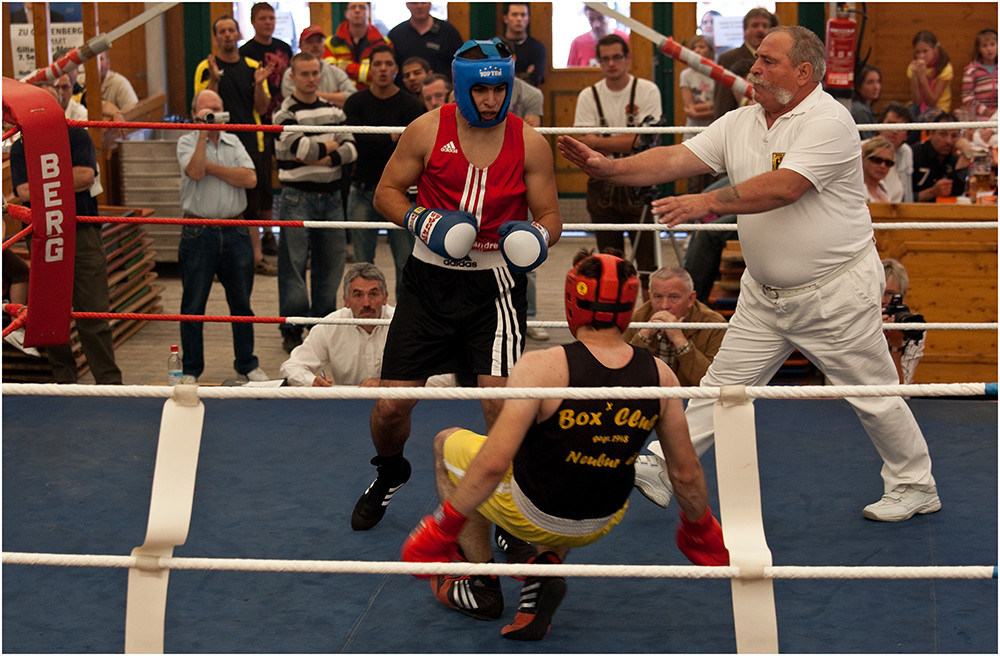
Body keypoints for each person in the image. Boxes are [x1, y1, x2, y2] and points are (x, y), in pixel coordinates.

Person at [558, 25, 941, 523]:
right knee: (723, 385)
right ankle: (659, 463)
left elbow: (785, 187)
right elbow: (676, 156)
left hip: (834, 294)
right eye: (755, 60)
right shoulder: (741, 121)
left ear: (803, 73)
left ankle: (915, 483)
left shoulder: (830, 121)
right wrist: (611, 168)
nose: (753, 68)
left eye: (767, 61)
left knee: (872, 395)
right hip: (765, 294)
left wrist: (705, 202)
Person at [400, 253, 728, 641]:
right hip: (604, 517)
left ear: (572, 299)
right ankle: (545, 569)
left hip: (536, 512)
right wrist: (700, 527)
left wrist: (444, 525)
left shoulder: (542, 367)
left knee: (449, 443)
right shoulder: (661, 375)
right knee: (579, 458)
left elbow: (493, 463)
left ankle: (482, 583)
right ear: (629, 307)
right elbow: (686, 472)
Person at [351, 38, 562, 531]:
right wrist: (422, 221)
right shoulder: (426, 130)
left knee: (499, 402)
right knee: (391, 406)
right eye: (482, 91)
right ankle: (389, 471)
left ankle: (513, 509)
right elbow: (385, 193)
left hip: (495, 288)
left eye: (500, 90)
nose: (492, 101)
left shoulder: (529, 141)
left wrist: (537, 236)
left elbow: (550, 214)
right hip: (428, 284)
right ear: (462, 87)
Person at [10, 83, 122, 384]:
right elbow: (23, 192)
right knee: (50, 312)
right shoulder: (22, 144)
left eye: (52, 97)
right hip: (43, 235)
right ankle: (64, 380)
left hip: (81, 230)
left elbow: (86, 176)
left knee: (94, 311)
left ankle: (109, 382)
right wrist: (62, 176)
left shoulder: (76, 134)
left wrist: (44, 179)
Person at [176, 90, 268, 384]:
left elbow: (250, 179)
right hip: (198, 231)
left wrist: (212, 169)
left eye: (217, 108)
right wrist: (203, 133)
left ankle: (247, 364)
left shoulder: (235, 140)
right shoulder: (185, 141)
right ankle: (190, 370)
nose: (214, 114)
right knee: (193, 304)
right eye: (207, 110)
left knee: (242, 303)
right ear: (195, 114)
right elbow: (194, 170)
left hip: (235, 230)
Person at [273, 52, 357, 354]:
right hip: (297, 196)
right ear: (292, 77)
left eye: (314, 73)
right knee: (293, 265)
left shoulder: (334, 111)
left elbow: (352, 148)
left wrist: (322, 152)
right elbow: (303, 149)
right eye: (304, 74)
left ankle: (322, 326)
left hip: (333, 197)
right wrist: (330, 148)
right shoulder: (283, 114)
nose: (310, 79)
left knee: (331, 265)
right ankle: (293, 327)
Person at [573, 34, 661, 293]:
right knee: (609, 264)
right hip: (602, 185)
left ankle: (650, 326)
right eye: (605, 59)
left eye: (617, 57)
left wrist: (602, 141)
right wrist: (628, 141)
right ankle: (612, 322)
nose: (611, 63)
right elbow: (585, 144)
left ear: (628, 59)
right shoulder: (588, 95)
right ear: (598, 62)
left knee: (648, 265)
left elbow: (645, 141)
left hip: (640, 182)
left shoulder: (647, 90)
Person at [280, 262, 454, 387]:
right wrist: (311, 382)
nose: (366, 303)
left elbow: (445, 376)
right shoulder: (330, 326)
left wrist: (389, 385)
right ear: (346, 300)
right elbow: (291, 367)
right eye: (357, 295)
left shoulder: (409, 323)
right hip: (347, 409)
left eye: (373, 294)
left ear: (385, 297)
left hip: (401, 407)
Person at [194, 15, 277, 277]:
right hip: (217, 142)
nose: (227, 35)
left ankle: (257, 256)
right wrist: (215, 78)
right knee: (222, 200)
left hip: (253, 140)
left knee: (255, 201)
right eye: (222, 31)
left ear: (238, 33)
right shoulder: (205, 67)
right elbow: (202, 105)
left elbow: (262, 108)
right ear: (216, 37)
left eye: (231, 30)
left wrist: (260, 83)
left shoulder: (253, 65)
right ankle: (221, 260)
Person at [344, 45, 424, 297]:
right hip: (362, 189)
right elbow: (359, 146)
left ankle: (405, 320)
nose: (382, 69)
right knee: (361, 264)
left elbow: (411, 151)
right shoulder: (355, 102)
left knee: (406, 262)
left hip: (401, 194)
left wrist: (390, 141)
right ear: (370, 69)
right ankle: (359, 315)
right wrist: (392, 137)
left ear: (395, 69)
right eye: (377, 64)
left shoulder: (410, 105)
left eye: (388, 64)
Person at [622, 266, 726, 387]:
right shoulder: (636, 319)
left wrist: (679, 340)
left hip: (692, 400)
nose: (664, 306)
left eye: (674, 297)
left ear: (691, 299)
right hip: (647, 399)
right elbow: (621, 377)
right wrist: (643, 338)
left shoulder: (714, 325)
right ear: (650, 296)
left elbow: (712, 383)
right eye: (658, 297)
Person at [713, 8, 777, 119]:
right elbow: (722, 102)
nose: (760, 30)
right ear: (744, 30)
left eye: (765, 26)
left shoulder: (777, 59)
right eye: (755, 25)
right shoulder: (728, 58)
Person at [282, 25, 358, 109]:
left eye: (319, 41)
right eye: (309, 42)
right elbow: (296, 102)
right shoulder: (290, 74)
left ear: (324, 45)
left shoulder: (336, 72)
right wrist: (335, 97)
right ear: (300, 46)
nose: (315, 45)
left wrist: (312, 94)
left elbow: (353, 100)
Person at [388, 2, 465, 84]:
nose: (419, 6)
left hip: (441, 92)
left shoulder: (448, 32)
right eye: (414, 3)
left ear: (430, 3)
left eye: (423, 2)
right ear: (407, 4)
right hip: (405, 93)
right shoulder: (396, 34)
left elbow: (461, 64)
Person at [324, 1, 393, 91]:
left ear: (369, 13)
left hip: (374, 97)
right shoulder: (330, 44)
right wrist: (363, 75)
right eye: (353, 7)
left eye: (362, 7)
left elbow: (384, 75)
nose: (357, 10)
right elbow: (330, 75)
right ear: (346, 14)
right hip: (341, 99)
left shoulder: (384, 44)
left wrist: (347, 68)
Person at [680, 34, 717, 194]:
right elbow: (690, 109)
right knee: (693, 181)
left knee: (713, 177)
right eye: (694, 47)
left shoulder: (718, 72)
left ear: (710, 50)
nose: (697, 50)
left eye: (702, 46)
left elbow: (720, 106)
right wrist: (711, 108)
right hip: (693, 132)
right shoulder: (686, 75)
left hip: (714, 130)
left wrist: (702, 108)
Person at [881, 258, 925, 386]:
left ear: (902, 296)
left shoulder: (912, 326)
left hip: (896, 400)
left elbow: (901, 388)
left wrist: (895, 344)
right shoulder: (857, 321)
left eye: (890, 294)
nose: (883, 300)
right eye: (880, 291)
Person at [912, 112, 969, 201]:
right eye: (943, 134)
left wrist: (966, 154)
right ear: (931, 133)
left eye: (954, 136)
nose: (948, 141)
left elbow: (957, 192)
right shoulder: (913, 154)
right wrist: (932, 192)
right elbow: (902, 197)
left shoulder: (955, 160)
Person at [876, 102, 915, 203]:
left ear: (906, 135)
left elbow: (908, 193)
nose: (894, 131)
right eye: (890, 124)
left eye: (901, 128)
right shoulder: (863, 148)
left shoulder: (906, 152)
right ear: (880, 125)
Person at [907, 30, 953, 116]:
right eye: (918, 52)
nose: (921, 56)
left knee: (925, 119)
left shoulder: (945, 68)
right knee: (909, 114)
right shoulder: (913, 67)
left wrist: (923, 78)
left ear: (935, 49)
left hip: (939, 107)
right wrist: (915, 76)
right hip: (919, 107)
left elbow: (932, 102)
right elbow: (916, 102)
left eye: (925, 51)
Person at [501, 2, 546, 87]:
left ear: (528, 19)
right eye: (514, 15)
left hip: (528, 98)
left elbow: (535, 78)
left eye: (523, 15)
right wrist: (526, 74)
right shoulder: (496, 46)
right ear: (506, 18)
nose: (519, 19)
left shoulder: (537, 47)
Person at [961, 28, 998, 119]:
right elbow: (967, 98)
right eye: (984, 46)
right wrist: (986, 111)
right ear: (979, 49)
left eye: (992, 44)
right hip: (979, 117)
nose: (989, 49)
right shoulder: (971, 71)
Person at [862, 136, 898, 203]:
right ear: (864, 159)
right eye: (877, 160)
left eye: (888, 163)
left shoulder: (884, 190)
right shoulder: (853, 189)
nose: (883, 166)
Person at [851, 64, 882, 139]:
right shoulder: (860, 111)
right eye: (870, 82)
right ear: (858, 86)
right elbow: (869, 142)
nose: (876, 87)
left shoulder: (864, 108)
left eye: (878, 81)